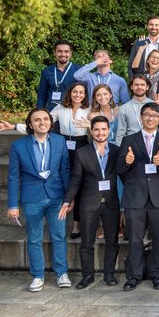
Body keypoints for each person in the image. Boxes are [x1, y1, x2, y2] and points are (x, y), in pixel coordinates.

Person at [7, 108, 72, 292]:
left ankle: (62, 273)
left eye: (46, 119)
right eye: (37, 120)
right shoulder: (18, 146)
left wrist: (69, 197)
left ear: (51, 122)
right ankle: (38, 275)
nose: (42, 122)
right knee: (34, 238)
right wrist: (12, 204)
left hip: (56, 197)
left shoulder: (59, 141)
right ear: (30, 124)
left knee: (59, 236)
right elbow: (13, 177)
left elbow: (65, 170)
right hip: (31, 198)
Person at [117, 102, 159, 291]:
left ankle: (158, 274)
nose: (151, 118)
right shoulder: (129, 140)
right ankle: (134, 275)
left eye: (155, 115)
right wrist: (127, 162)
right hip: (136, 196)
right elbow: (119, 169)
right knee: (134, 239)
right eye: (147, 115)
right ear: (141, 117)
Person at [62, 115, 121, 288]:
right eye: (96, 129)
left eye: (104, 129)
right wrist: (67, 200)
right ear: (91, 131)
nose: (100, 133)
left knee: (112, 241)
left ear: (109, 131)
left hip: (111, 202)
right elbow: (75, 180)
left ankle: (109, 274)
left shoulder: (117, 151)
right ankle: (88, 275)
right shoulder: (82, 152)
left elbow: (125, 172)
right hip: (89, 203)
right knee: (87, 242)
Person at [50, 82, 91, 238]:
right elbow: (44, 121)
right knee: (62, 182)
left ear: (85, 95)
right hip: (64, 146)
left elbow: (100, 127)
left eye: (81, 92)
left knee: (79, 186)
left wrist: (89, 124)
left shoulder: (88, 110)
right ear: (70, 92)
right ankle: (57, 218)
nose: (78, 95)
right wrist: (15, 127)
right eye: (75, 91)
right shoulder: (61, 108)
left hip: (82, 146)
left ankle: (77, 225)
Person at [37, 40, 81, 111]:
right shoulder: (47, 71)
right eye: (60, 51)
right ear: (55, 53)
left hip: (71, 111)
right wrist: (40, 112)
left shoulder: (79, 70)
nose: (63, 54)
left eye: (66, 51)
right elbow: (42, 95)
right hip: (51, 112)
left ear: (70, 53)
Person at [115, 75, 155, 145]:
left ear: (147, 87)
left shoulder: (154, 105)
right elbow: (120, 134)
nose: (139, 87)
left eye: (142, 85)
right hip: (132, 146)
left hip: (151, 144)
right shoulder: (124, 108)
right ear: (131, 87)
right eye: (136, 85)